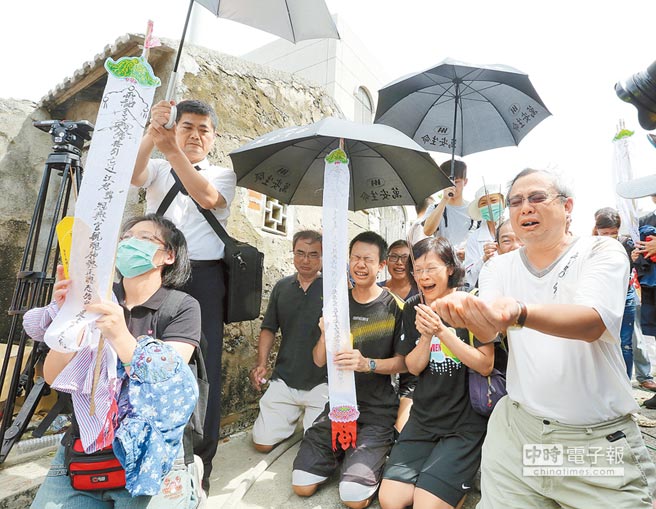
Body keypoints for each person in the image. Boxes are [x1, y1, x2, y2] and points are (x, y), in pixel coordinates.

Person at [433, 169, 656, 508]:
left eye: (537, 198)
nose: (526, 208)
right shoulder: (498, 268)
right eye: (516, 202)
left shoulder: (602, 251)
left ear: (567, 206)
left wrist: (520, 312)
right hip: (519, 431)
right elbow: (491, 331)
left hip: (593, 442)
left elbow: (591, 321)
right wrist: (466, 314)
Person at [28, 214, 203, 508]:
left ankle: (186, 482)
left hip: (152, 453)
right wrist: (70, 316)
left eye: (145, 238)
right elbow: (52, 375)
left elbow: (166, 379)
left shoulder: (182, 306)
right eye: (125, 238)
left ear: (168, 255)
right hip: (86, 449)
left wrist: (120, 334)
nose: (130, 244)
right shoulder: (94, 299)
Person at [131, 99, 236, 491]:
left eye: (202, 129)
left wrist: (170, 147)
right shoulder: (159, 164)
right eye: (186, 126)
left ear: (213, 137)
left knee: (203, 369)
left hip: (204, 280)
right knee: (140, 355)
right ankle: (145, 451)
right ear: (174, 127)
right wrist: (150, 133)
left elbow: (206, 197)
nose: (194, 134)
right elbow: (131, 174)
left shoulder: (224, 175)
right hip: (156, 273)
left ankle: (198, 463)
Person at [292, 231, 406, 509]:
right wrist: (323, 334)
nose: (360, 265)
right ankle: (344, 452)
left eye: (368, 259)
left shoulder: (395, 308)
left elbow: (404, 363)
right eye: (355, 257)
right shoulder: (336, 304)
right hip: (339, 408)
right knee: (302, 485)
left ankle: (367, 453)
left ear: (381, 265)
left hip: (378, 413)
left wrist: (367, 364)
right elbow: (319, 360)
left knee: (354, 498)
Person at [379, 237, 494, 509]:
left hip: (464, 423)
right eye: (417, 270)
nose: (423, 277)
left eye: (431, 268)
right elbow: (414, 366)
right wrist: (425, 336)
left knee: (425, 505)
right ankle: (440, 480)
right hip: (424, 418)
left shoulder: (471, 303)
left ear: (451, 268)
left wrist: (443, 332)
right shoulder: (414, 307)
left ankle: (452, 485)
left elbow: (485, 364)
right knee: (391, 501)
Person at [250, 230, 327, 452]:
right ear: (293, 253)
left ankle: (308, 421)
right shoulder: (282, 287)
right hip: (285, 378)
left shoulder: (334, 289)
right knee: (262, 444)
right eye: (300, 253)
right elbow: (268, 328)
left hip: (322, 382)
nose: (306, 260)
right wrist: (261, 364)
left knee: (314, 448)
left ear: (322, 258)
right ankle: (292, 420)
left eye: (314, 255)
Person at [593, 207, 637, 379]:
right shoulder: (591, 246)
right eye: (605, 233)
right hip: (602, 299)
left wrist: (635, 260)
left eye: (613, 233)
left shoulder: (628, 243)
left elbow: (638, 268)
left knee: (625, 344)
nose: (610, 237)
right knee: (602, 343)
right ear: (597, 230)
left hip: (625, 297)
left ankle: (625, 382)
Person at [380, 239, 419, 432]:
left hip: (411, 367)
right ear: (385, 262)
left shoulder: (421, 291)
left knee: (401, 427)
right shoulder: (377, 289)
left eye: (405, 257)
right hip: (383, 361)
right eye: (393, 257)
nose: (399, 262)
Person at [423, 160, 473, 260]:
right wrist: (444, 200)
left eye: (457, 181)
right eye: (448, 181)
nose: (453, 185)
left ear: (465, 182)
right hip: (442, 263)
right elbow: (427, 231)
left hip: (468, 266)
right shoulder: (434, 208)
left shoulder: (474, 210)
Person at [463, 184, 505, 289]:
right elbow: (469, 278)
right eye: (484, 203)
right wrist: (484, 259)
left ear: (503, 203)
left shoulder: (516, 229)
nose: (490, 206)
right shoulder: (474, 238)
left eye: (493, 201)